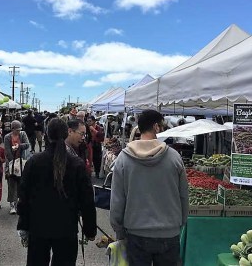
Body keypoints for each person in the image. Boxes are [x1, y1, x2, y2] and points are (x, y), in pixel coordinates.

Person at [110, 109, 189, 266]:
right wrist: (181, 222)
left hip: (136, 233)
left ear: (139, 128)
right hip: (169, 232)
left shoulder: (124, 159)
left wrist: (118, 230)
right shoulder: (174, 157)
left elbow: (117, 199)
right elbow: (183, 195)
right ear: (156, 127)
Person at [17, 118, 97, 266]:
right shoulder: (76, 163)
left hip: (38, 226)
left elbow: (24, 196)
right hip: (66, 227)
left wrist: (23, 225)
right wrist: (90, 229)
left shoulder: (34, 162)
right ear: (67, 133)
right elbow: (87, 200)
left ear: (47, 134)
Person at [4, 120, 30, 214]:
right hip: (11, 163)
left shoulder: (23, 134)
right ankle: (12, 204)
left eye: (19, 130)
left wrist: (19, 146)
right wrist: (13, 162)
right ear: (12, 129)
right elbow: (7, 151)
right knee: (11, 183)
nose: (18, 132)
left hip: (22, 162)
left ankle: (19, 203)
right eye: (16, 130)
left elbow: (27, 145)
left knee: (21, 183)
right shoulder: (7, 137)